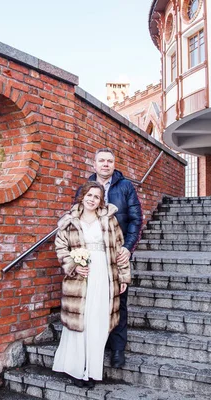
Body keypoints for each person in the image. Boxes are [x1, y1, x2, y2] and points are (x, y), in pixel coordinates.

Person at [52, 181, 131, 388]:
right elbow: (61, 247)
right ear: (83, 196)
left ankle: (92, 370)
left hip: (104, 276)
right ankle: (77, 370)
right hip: (80, 279)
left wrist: (123, 277)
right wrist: (73, 266)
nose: (92, 199)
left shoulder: (109, 220)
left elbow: (120, 250)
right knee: (81, 323)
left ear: (100, 200)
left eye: (96, 197)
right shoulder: (69, 221)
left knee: (98, 323)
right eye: (89, 195)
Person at [78, 148, 142, 368]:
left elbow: (135, 219)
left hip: (117, 253)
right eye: (101, 161)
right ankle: (96, 343)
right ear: (94, 164)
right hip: (92, 256)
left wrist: (128, 246)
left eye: (110, 161)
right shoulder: (85, 188)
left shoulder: (125, 187)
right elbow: (76, 221)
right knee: (92, 302)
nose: (105, 164)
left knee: (118, 301)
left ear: (114, 164)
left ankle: (117, 349)